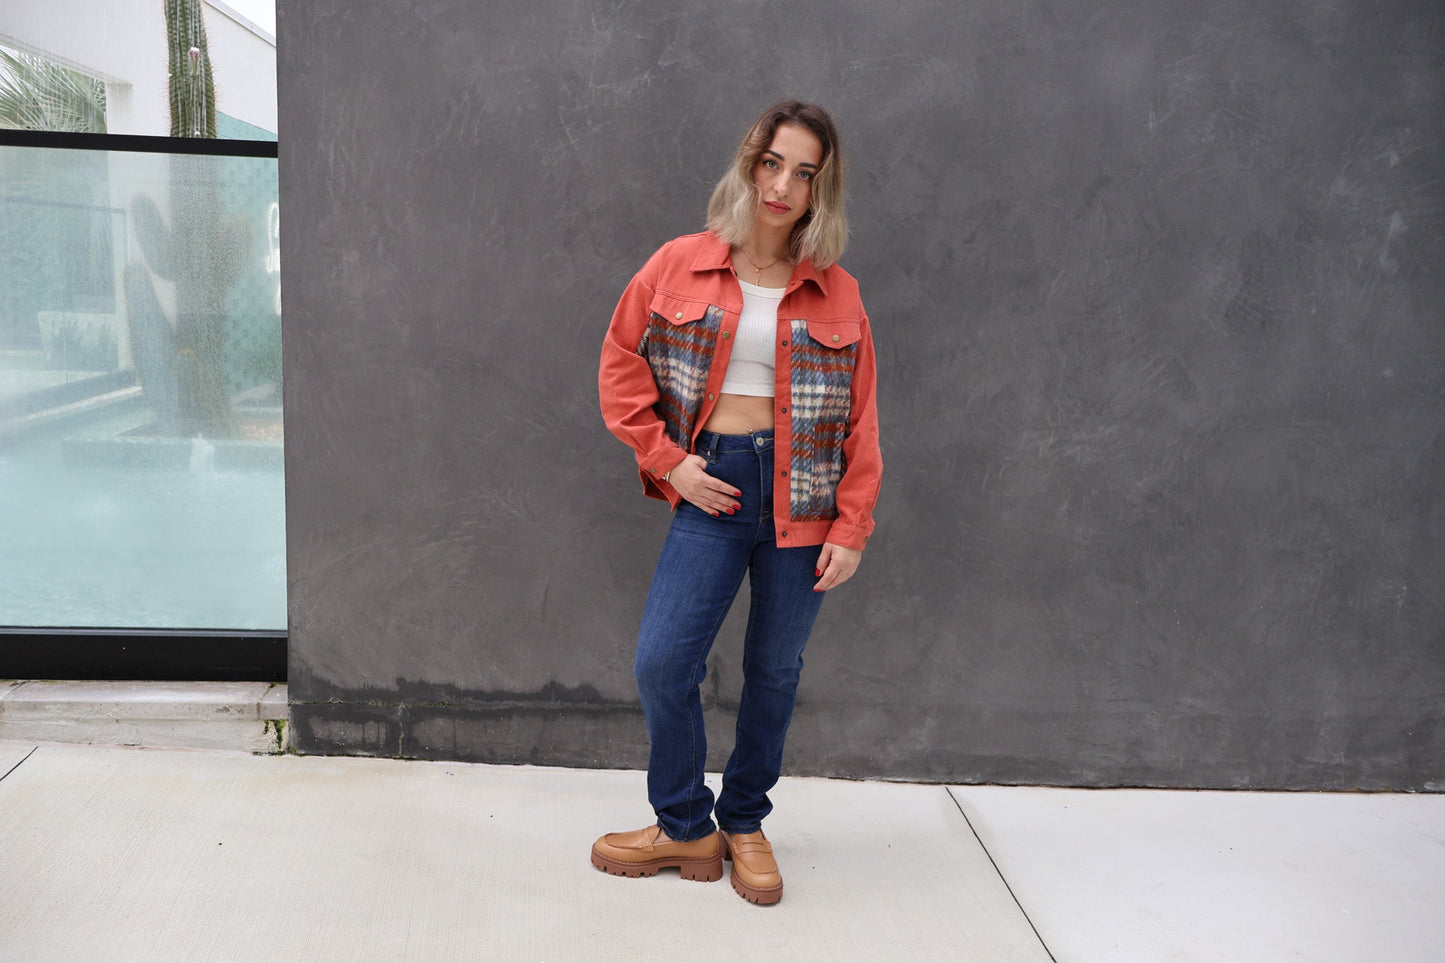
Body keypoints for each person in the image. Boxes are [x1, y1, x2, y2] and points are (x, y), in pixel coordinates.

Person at [593, 101, 881, 905]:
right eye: (773, 162)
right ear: (749, 163)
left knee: (773, 672)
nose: (783, 185)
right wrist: (668, 461)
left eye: (805, 173)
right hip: (714, 483)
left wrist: (851, 525)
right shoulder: (679, 262)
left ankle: (744, 822)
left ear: (821, 191)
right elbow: (621, 361)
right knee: (663, 661)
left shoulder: (837, 291)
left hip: (806, 499)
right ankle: (687, 826)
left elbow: (861, 419)